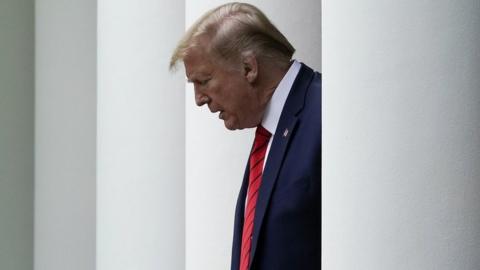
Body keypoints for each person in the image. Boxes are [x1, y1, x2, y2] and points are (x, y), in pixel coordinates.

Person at [170, 2, 321, 270]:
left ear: (249, 68)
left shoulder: (326, 111)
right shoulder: (269, 133)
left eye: (203, 81)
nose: (198, 100)